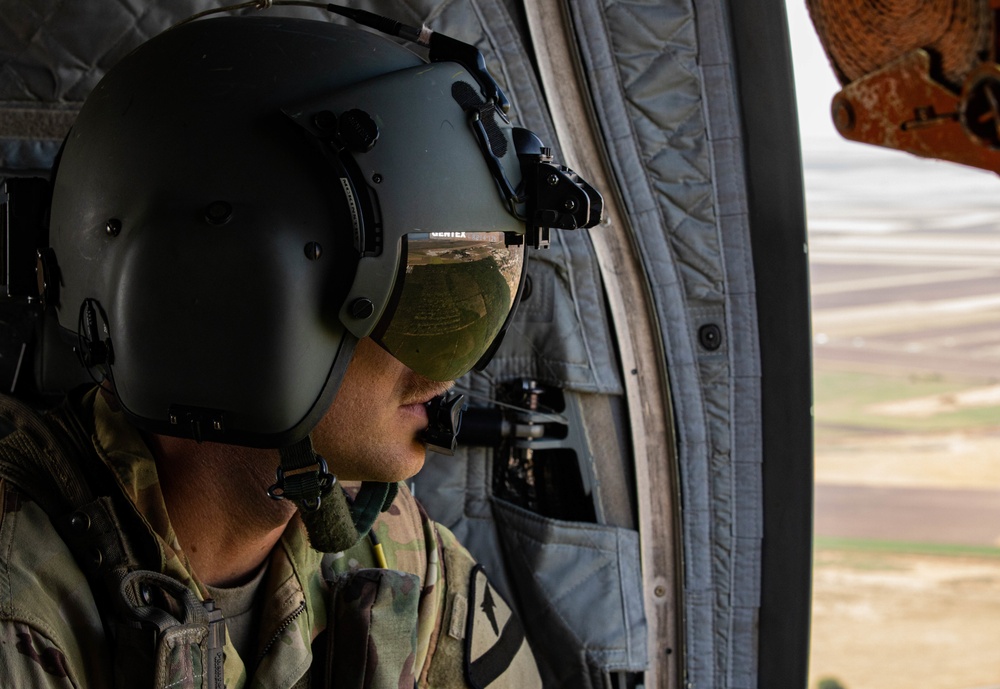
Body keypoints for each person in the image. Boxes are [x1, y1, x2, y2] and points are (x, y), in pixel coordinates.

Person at [0, 6, 601, 688]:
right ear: (232, 300)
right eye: (413, 300)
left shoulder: (387, 553)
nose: (449, 367)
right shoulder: (20, 619)